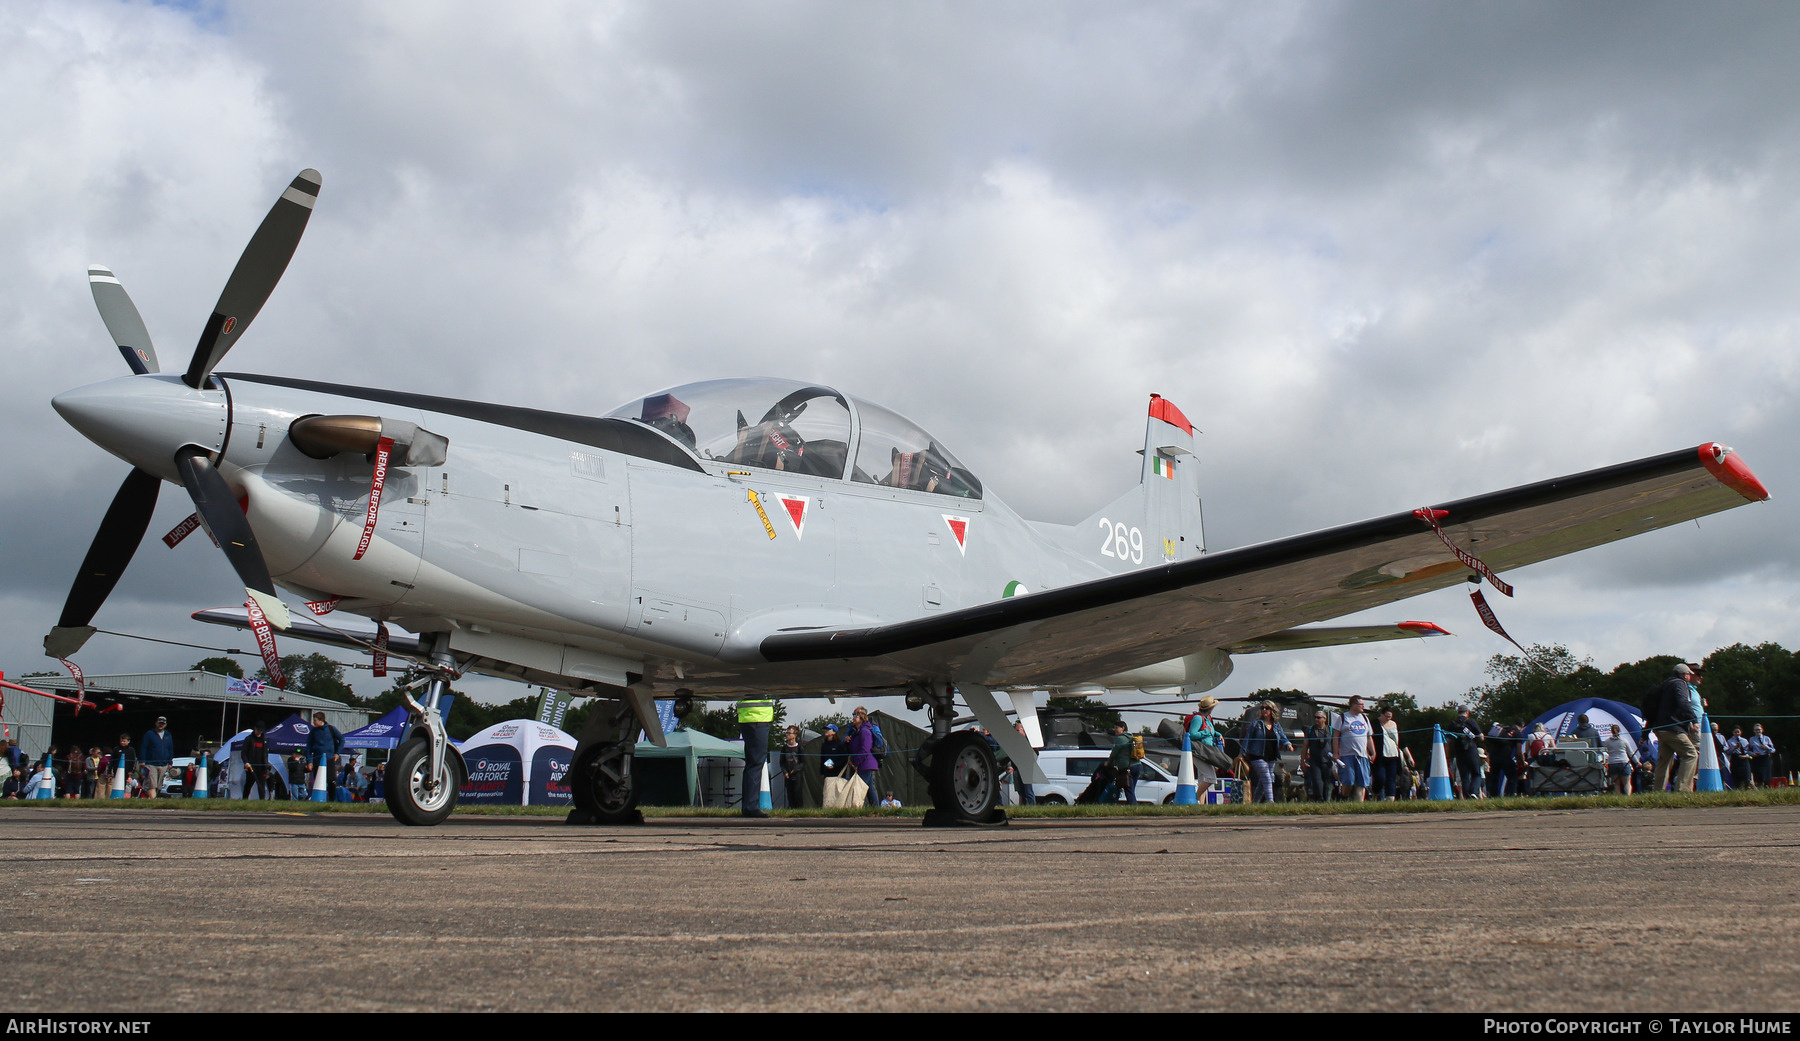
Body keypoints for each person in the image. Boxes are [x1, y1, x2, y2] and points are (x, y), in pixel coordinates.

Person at [1651, 663, 1701, 792]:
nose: (1690, 676)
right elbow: (1683, 702)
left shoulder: (1665, 685)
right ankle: (1683, 790)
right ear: (1684, 674)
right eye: (1689, 674)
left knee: (1664, 761)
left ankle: (1658, 792)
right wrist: (1693, 719)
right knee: (1691, 754)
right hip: (1673, 729)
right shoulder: (1680, 684)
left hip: (1660, 728)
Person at [1240, 701, 1291, 803]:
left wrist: (1288, 744)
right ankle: (1270, 802)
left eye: (1267, 708)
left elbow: (1283, 737)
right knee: (1267, 778)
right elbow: (1247, 738)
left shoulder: (1276, 725)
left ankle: (1255, 803)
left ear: (1272, 710)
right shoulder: (1256, 723)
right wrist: (1242, 753)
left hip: (1271, 757)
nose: (1264, 710)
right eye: (1262, 708)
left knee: (1262, 782)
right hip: (1257, 756)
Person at [735, 695, 775, 817]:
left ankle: (748, 806)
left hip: (749, 716)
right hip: (758, 716)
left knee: (752, 764)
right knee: (756, 763)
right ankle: (751, 807)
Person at [1333, 697, 1375, 802]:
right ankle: (1344, 797)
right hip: (1347, 755)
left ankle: (1358, 806)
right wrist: (1336, 753)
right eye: (1361, 704)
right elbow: (1336, 736)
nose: (1363, 707)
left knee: (1362, 783)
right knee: (1348, 781)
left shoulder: (1365, 718)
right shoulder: (1343, 717)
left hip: (1362, 756)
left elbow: (1369, 737)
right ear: (1354, 705)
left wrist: (1373, 752)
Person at [1372, 708, 1410, 802]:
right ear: (1382, 714)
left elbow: (1401, 742)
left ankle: (1390, 800)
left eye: (1390, 717)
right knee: (1380, 778)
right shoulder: (1373, 724)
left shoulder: (1394, 725)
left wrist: (1409, 756)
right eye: (1386, 716)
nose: (1388, 719)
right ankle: (1375, 794)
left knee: (1391, 779)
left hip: (1393, 756)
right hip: (1379, 757)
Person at [847, 707, 881, 808]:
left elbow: (865, 750)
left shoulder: (865, 731)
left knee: (858, 788)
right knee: (870, 789)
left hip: (865, 764)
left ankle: (857, 808)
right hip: (865, 764)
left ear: (861, 717)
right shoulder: (856, 732)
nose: (853, 718)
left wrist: (855, 763)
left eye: (855, 715)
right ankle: (877, 810)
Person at [304, 712, 344, 798]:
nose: (313, 722)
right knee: (318, 780)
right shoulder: (313, 731)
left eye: (315, 720)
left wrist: (337, 753)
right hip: (317, 759)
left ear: (321, 720)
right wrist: (309, 761)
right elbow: (308, 747)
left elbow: (342, 739)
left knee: (331, 780)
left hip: (329, 759)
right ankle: (317, 798)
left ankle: (332, 799)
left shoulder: (331, 729)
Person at [1449, 708, 1483, 800]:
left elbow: (1448, 740)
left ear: (1458, 713)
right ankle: (1473, 792)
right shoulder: (1471, 722)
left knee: (1464, 777)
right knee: (1476, 774)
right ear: (1467, 713)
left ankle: (1467, 797)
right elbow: (1481, 737)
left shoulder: (1452, 724)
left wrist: (1448, 755)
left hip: (1459, 752)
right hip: (1471, 750)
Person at [1301, 710, 1335, 802]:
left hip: (1327, 761)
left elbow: (1335, 744)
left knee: (1327, 782)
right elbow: (1305, 746)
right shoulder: (1310, 730)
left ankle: (1326, 800)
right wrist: (1302, 761)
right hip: (1314, 760)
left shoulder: (1331, 730)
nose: (1316, 719)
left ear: (1324, 719)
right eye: (1315, 717)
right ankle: (1319, 800)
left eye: (1318, 718)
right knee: (1317, 781)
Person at [140, 717, 175, 797]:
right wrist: (142, 760)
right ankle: (153, 800)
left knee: (159, 786)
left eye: (162, 724)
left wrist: (170, 762)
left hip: (164, 764)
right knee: (152, 784)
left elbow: (170, 749)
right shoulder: (149, 734)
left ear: (165, 725)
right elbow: (144, 747)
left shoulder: (168, 735)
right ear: (156, 723)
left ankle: (152, 798)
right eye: (159, 723)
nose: (160, 725)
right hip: (151, 763)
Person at [1108, 723, 1140, 804]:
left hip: (1127, 768)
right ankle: (1135, 808)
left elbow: (1114, 753)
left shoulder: (1121, 738)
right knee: (1131, 790)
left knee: (1128, 790)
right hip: (1137, 765)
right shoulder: (1131, 736)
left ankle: (1134, 809)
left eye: (1116, 727)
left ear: (1123, 728)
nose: (1115, 729)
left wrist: (1108, 763)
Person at [1602, 723, 1638, 795]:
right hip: (1624, 762)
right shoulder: (1624, 741)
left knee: (1616, 784)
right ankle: (1628, 799)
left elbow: (1603, 752)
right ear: (1619, 731)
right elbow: (1631, 753)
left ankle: (1618, 800)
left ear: (1611, 731)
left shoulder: (1607, 742)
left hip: (1613, 763)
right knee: (1627, 783)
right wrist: (1637, 762)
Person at [241, 722, 273, 800]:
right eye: (258, 730)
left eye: (261, 731)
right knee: (248, 784)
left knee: (261, 785)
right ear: (255, 728)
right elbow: (243, 753)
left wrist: (266, 764)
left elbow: (266, 754)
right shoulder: (249, 739)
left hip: (262, 767)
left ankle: (262, 801)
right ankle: (244, 799)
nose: (259, 732)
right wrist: (246, 762)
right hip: (251, 767)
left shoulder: (264, 740)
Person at [779, 725, 805, 809]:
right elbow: (781, 762)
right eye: (786, 733)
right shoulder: (784, 748)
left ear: (795, 735)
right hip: (787, 774)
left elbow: (803, 762)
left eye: (789, 733)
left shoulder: (799, 747)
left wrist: (795, 770)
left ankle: (799, 810)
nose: (787, 735)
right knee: (790, 794)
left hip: (797, 774)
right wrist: (785, 772)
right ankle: (791, 809)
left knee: (797, 793)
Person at [1724, 726, 1753, 790]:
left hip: (1744, 759)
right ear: (1733, 733)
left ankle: (1748, 788)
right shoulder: (1730, 741)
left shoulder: (1744, 740)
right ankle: (1739, 789)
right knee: (1738, 778)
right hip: (1736, 759)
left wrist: (1747, 755)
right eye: (1735, 732)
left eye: (1738, 732)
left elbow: (1749, 750)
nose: (1737, 733)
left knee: (1747, 777)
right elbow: (1728, 752)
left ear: (1740, 732)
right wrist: (1734, 748)